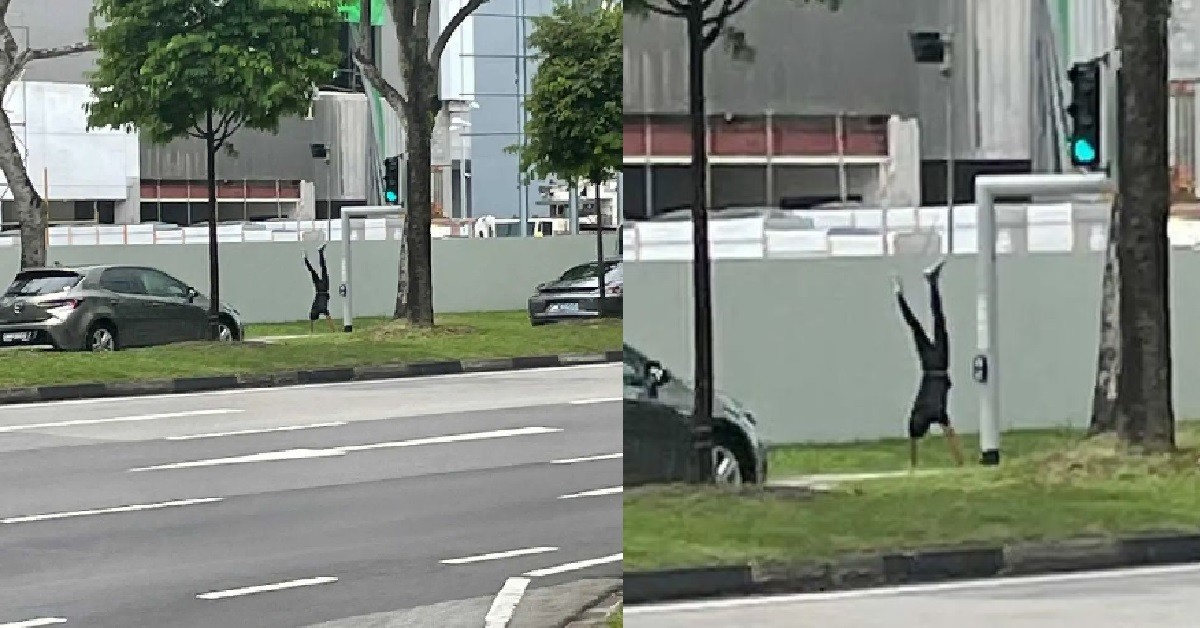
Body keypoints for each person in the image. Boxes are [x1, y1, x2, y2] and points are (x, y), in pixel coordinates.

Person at [892, 257, 965, 469]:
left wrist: (959, 460)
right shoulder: (920, 410)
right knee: (920, 325)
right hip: (931, 367)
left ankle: (928, 284)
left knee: (935, 321)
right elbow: (949, 437)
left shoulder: (934, 412)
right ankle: (915, 288)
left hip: (939, 366)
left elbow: (950, 436)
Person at [304, 244, 335, 333]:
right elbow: (328, 319)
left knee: (321, 269)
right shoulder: (316, 307)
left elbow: (328, 318)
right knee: (314, 272)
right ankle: (308, 259)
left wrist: (332, 330)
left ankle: (319, 253)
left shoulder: (321, 308)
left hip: (323, 290)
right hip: (320, 290)